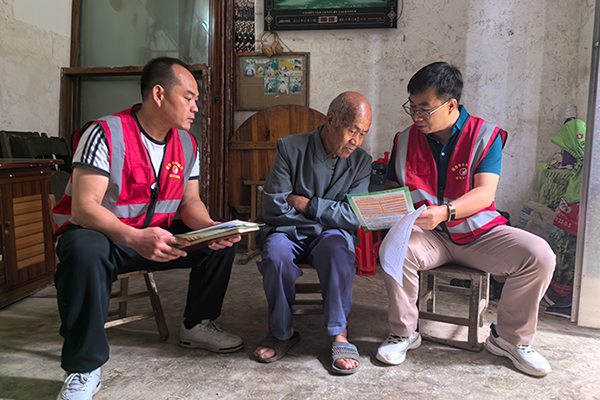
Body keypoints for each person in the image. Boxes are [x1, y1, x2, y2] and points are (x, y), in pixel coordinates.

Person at [52, 57, 243, 400]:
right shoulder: (105, 133)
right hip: (108, 239)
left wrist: (213, 227)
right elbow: (84, 207)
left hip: (155, 237)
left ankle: (196, 325)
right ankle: (83, 367)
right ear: (158, 93)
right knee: (82, 249)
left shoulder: (186, 144)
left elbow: (189, 204)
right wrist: (133, 237)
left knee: (222, 241)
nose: (196, 108)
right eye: (189, 98)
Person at [376, 62, 556, 377]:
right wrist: (381, 209)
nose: (417, 116)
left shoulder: (485, 136)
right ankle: (404, 332)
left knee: (539, 255)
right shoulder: (403, 139)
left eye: (425, 109)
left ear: (451, 105)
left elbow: (485, 193)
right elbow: (394, 188)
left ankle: (509, 339)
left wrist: (445, 212)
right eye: (412, 107)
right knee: (395, 247)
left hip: (479, 234)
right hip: (428, 237)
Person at [253, 92, 373, 375]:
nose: (356, 140)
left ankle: (339, 334)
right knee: (276, 254)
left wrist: (309, 205)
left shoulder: (361, 163)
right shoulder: (290, 147)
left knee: (339, 253)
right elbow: (273, 207)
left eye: (363, 133)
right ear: (331, 121)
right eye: (352, 130)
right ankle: (282, 332)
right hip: (285, 230)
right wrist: (329, 216)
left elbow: (355, 217)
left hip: (327, 235)